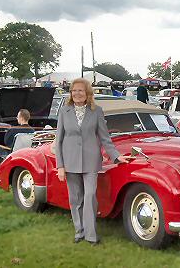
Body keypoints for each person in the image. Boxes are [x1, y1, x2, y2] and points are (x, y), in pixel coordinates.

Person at [55, 78, 131, 245]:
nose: (76, 93)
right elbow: (58, 140)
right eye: (74, 90)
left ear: (88, 93)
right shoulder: (64, 111)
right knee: (75, 199)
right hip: (69, 161)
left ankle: (91, 234)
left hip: (91, 161)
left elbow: (105, 138)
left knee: (90, 196)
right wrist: (60, 165)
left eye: (80, 90)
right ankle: (79, 231)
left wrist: (116, 156)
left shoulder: (97, 111)